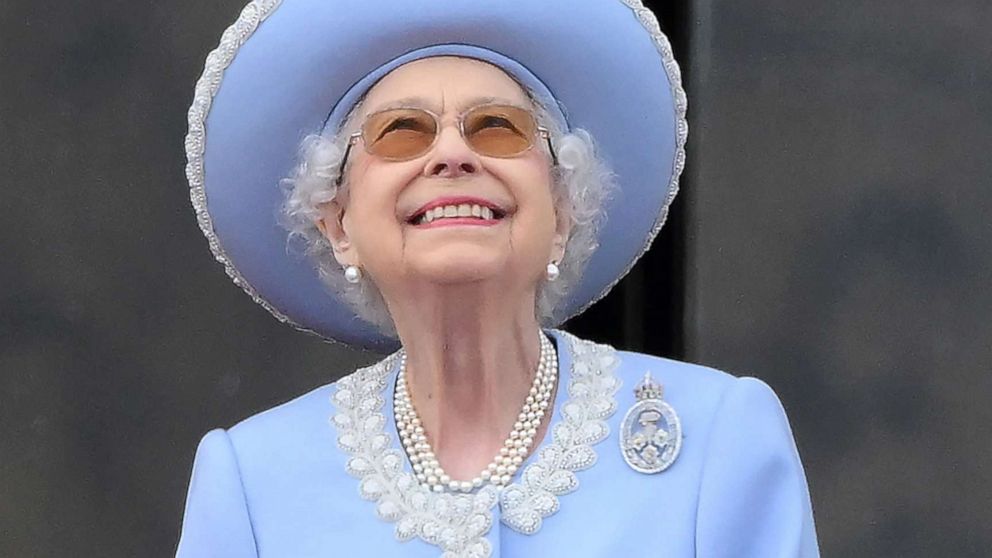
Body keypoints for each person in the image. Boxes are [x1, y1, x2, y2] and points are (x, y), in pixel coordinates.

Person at [176, 0, 819, 556]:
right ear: (338, 224)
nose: (452, 155)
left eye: (497, 128)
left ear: (563, 212)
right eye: (401, 132)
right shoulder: (254, 480)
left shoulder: (715, 438)